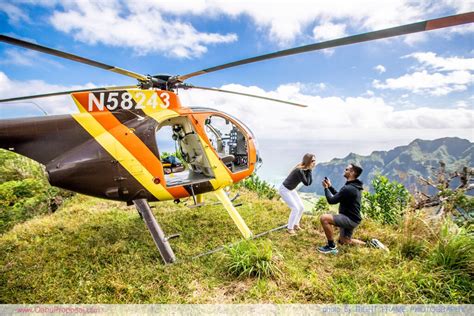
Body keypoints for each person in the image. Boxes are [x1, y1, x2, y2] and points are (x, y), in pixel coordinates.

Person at [317, 163, 388, 254]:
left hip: (349, 219)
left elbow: (331, 200)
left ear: (352, 172)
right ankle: (371, 244)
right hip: (353, 219)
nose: (344, 170)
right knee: (344, 241)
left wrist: (326, 188)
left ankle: (331, 246)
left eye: (346, 169)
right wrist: (330, 187)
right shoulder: (354, 186)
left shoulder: (349, 188)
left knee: (324, 218)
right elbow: (339, 195)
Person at [279, 153, 316, 235]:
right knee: (295, 208)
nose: (314, 162)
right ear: (308, 161)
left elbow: (309, 183)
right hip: (284, 190)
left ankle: (296, 224)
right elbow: (306, 183)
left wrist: (309, 170)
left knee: (301, 207)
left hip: (291, 190)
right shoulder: (300, 170)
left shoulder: (305, 169)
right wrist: (310, 170)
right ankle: (290, 228)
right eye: (312, 161)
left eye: (314, 160)